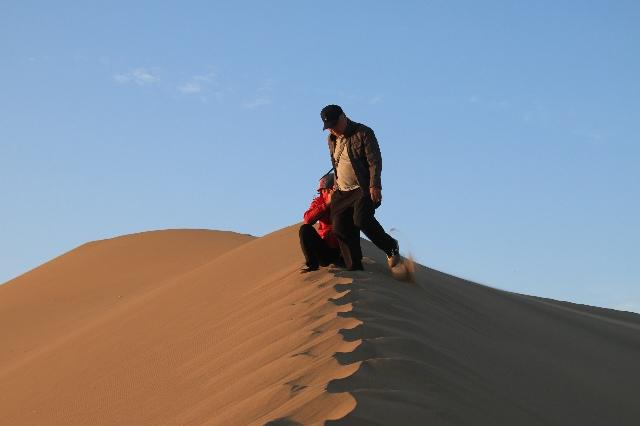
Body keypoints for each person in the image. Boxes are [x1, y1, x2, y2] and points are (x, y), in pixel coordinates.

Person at [320, 104, 400, 271]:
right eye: (329, 127)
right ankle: (354, 267)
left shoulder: (363, 132)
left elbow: (374, 161)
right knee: (340, 227)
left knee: (361, 220)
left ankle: (390, 246)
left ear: (343, 117)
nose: (332, 130)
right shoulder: (331, 140)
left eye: (335, 125)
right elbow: (337, 164)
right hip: (341, 191)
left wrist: (375, 185)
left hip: (362, 188)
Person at [299, 172, 343, 273]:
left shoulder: (344, 200)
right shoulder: (319, 202)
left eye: (327, 190)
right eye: (322, 191)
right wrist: (326, 205)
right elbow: (307, 219)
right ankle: (312, 265)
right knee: (305, 229)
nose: (324, 193)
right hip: (324, 249)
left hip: (341, 249)